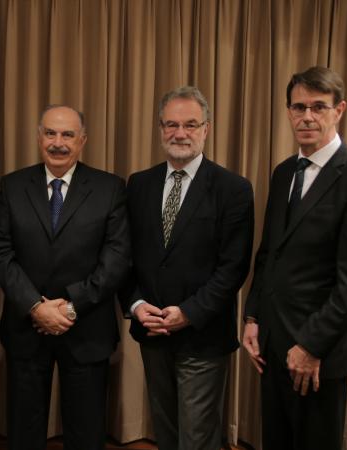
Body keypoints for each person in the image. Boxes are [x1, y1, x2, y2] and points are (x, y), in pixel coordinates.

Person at [242, 66, 347, 449]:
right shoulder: (283, 173)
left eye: (318, 107)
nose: (307, 116)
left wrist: (310, 346)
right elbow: (268, 253)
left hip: (319, 350)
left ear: (339, 110)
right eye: (298, 107)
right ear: (289, 111)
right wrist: (254, 316)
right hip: (273, 341)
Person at [0, 105, 130, 450]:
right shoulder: (13, 185)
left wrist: (69, 307)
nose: (58, 142)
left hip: (85, 328)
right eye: (50, 133)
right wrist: (36, 307)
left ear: (82, 141)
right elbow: (1, 254)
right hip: (26, 328)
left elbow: (116, 259)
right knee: (24, 432)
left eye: (67, 134)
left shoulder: (110, 188)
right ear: (39, 138)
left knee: (85, 435)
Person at [122, 87, 254, 450]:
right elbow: (126, 256)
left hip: (203, 335)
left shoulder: (234, 189)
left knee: (196, 439)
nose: (180, 133)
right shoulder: (139, 184)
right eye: (171, 124)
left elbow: (234, 267)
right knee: (166, 433)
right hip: (151, 332)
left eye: (190, 124)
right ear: (161, 128)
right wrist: (135, 305)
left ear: (206, 129)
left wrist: (189, 312)